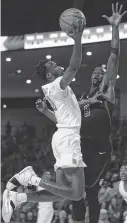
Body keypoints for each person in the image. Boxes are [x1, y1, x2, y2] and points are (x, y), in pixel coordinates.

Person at [2, 18, 86, 223]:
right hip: (68, 139)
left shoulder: (52, 89)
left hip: (63, 135)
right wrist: (77, 39)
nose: (59, 66)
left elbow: (60, 118)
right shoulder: (57, 84)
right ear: (50, 74)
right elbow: (74, 67)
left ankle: (19, 196)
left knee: (60, 193)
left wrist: (44, 112)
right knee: (76, 194)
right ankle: (31, 178)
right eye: (54, 65)